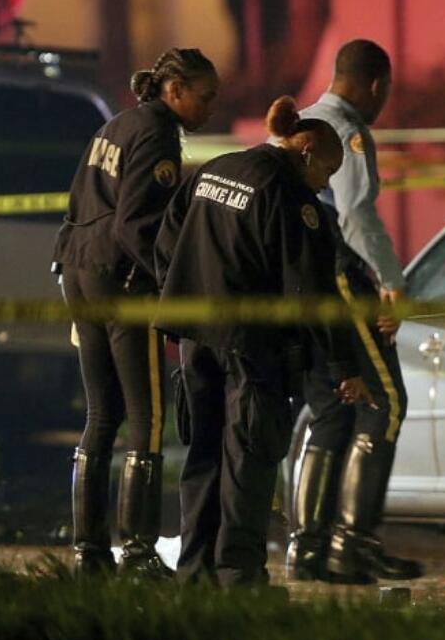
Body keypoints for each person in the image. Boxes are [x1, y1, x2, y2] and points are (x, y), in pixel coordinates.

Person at [154, 97, 372, 587]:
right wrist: (343, 367)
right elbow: (311, 292)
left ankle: (195, 573)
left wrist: (182, 291)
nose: (327, 182)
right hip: (250, 347)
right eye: (328, 170)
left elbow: (168, 239)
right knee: (248, 462)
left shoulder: (218, 167)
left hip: (195, 337)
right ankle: (239, 578)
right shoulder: (290, 196)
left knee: (203, 455)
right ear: (307, 148)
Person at [52, 48, 219, 577]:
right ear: (174, 91)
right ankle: (141, 554)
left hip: (78, 269)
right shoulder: (159, 134)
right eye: (204, 96)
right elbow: (136, 225)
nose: (209, 108)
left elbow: (81, 202)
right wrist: (172, 280)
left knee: (101, 414)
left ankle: (89, 553)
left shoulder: (118, 123)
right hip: (122, 280)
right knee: (147, 420)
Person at [286, 38, 418, 584]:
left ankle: (308, 549)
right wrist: (390, 281)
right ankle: (351, 544)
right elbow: (357, 214)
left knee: (332, 410)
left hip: (300, 277)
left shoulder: (301, 121)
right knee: (385, 401)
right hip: (340, 271)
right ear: (375, 85)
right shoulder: (348, 132)